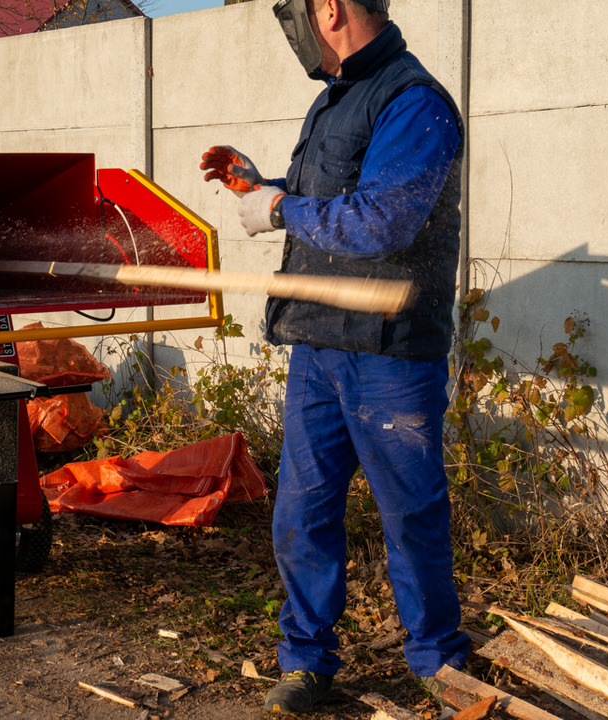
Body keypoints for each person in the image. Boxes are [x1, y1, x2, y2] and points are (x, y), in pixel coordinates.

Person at [199, 0, 469, 713]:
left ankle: (440, 664)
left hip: (389, 353)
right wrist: (268, 188)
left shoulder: (414, 102)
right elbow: (333, 202)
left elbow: (384, 221)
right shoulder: (336, 100)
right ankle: (307, 661)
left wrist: (279, 211)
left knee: (410, 515)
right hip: (320, 341)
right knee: (302, 511)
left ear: (328, 8)